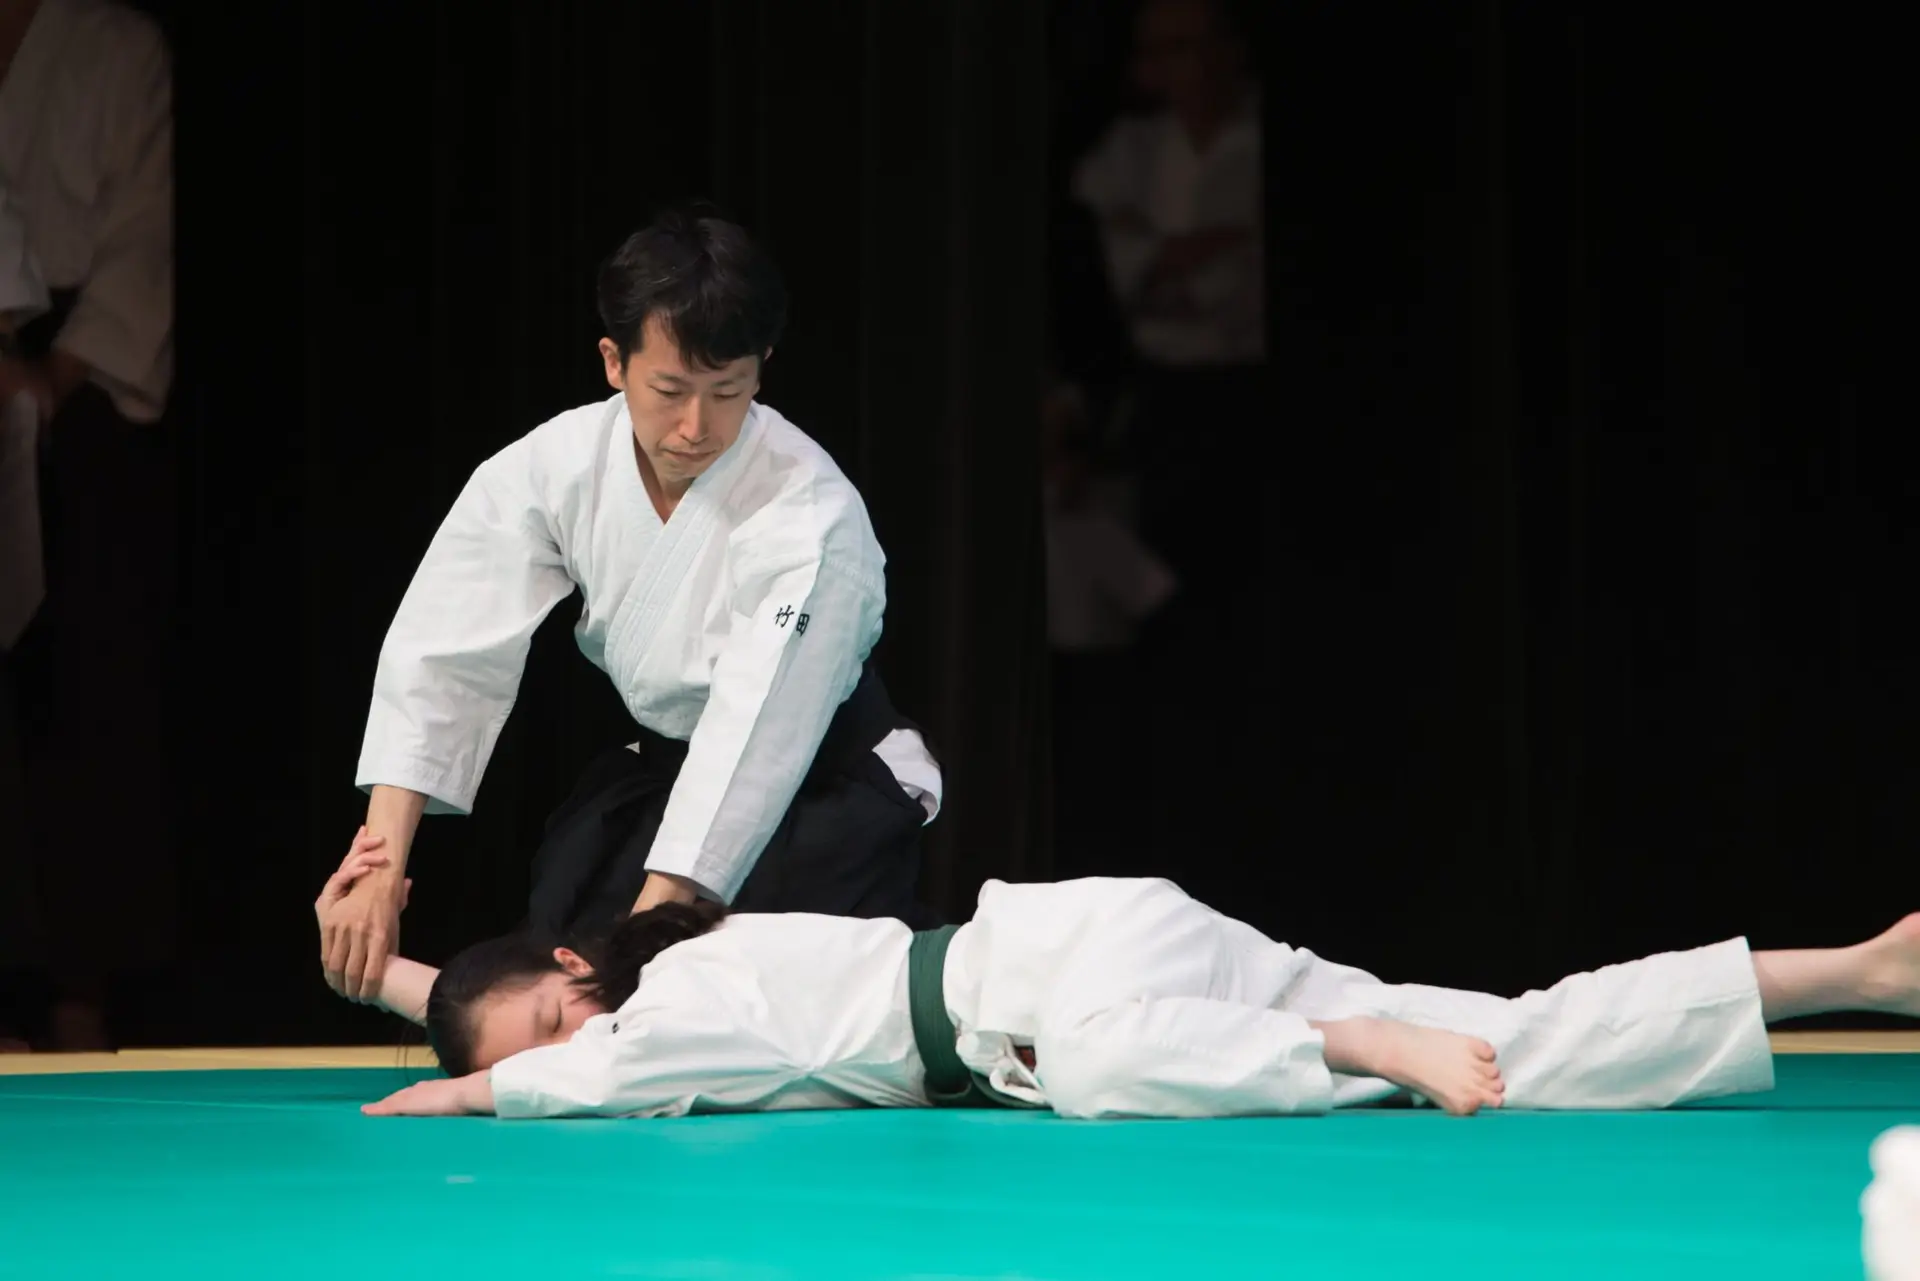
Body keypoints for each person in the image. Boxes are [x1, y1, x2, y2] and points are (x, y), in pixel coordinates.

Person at [319, 207, 943, 1007]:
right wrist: (378, 866)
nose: (696, 426)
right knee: (554, 975)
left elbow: (757, 735)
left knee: (698, 1000)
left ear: (762, 369)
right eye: (670, 390)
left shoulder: (811, 515)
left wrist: (645, 940)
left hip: (823, 792)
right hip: (662, 780)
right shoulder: (558, 466)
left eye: (727, 391)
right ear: (614, 362)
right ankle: (396, 980)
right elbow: (445, 650)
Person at [316, 833, 1920, 1121]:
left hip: (1065, 987)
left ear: (581, 969)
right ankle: (1857, 966)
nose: (564, 1045)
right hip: (1117, 943)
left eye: (552, 1019)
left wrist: (461, 1090)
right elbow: (523, 1008)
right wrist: (412, 995)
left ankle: (1353, 1046)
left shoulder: (669, 998)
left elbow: (596, 1063)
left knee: (1088, 1076)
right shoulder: (677, 967)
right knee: (1523, 1039)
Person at [1, 0, 175, 1050]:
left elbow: (138, 247)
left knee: (85, 693)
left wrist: (50, 376)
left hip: (87, 389)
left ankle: (79, 987)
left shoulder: (111, 45)